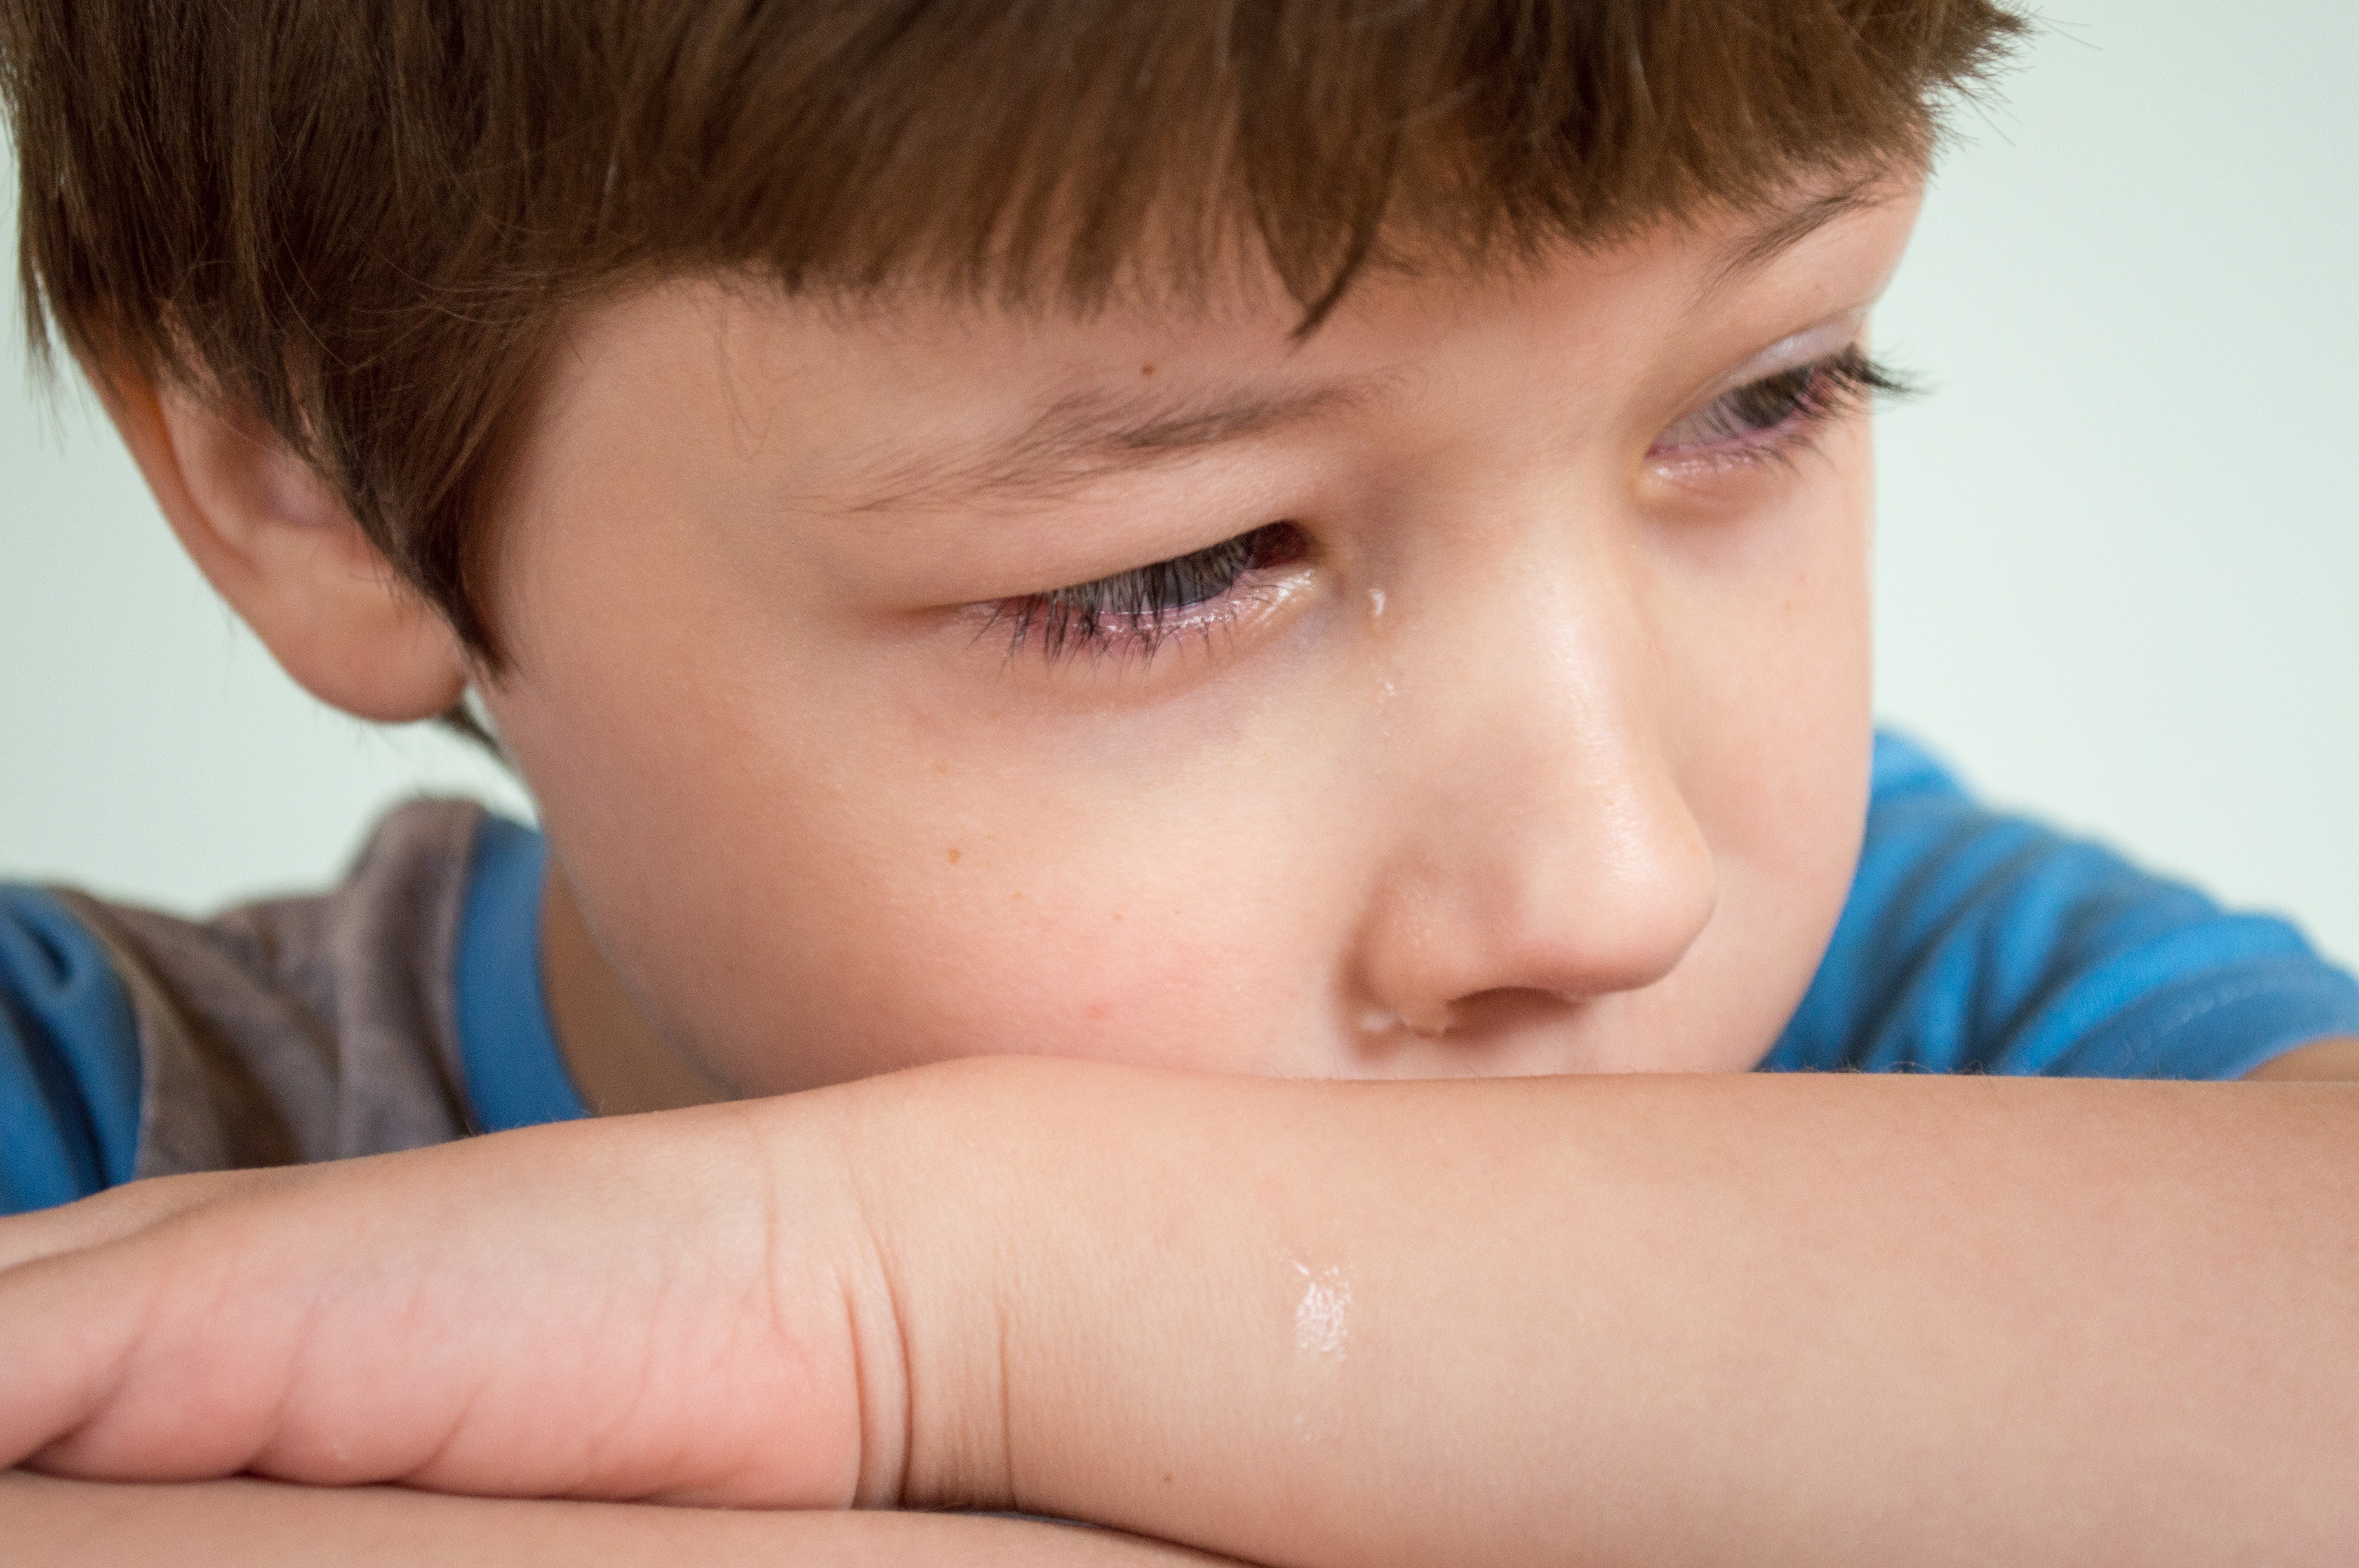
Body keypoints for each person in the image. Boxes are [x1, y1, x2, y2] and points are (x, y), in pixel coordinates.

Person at [3, 1, 2356, 1561]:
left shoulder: (1923, 1013)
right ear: (300, 474)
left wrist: (928, 1304)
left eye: (1766, 397)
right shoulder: (93, 1148)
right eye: (1178, 565)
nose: (1613, 881)